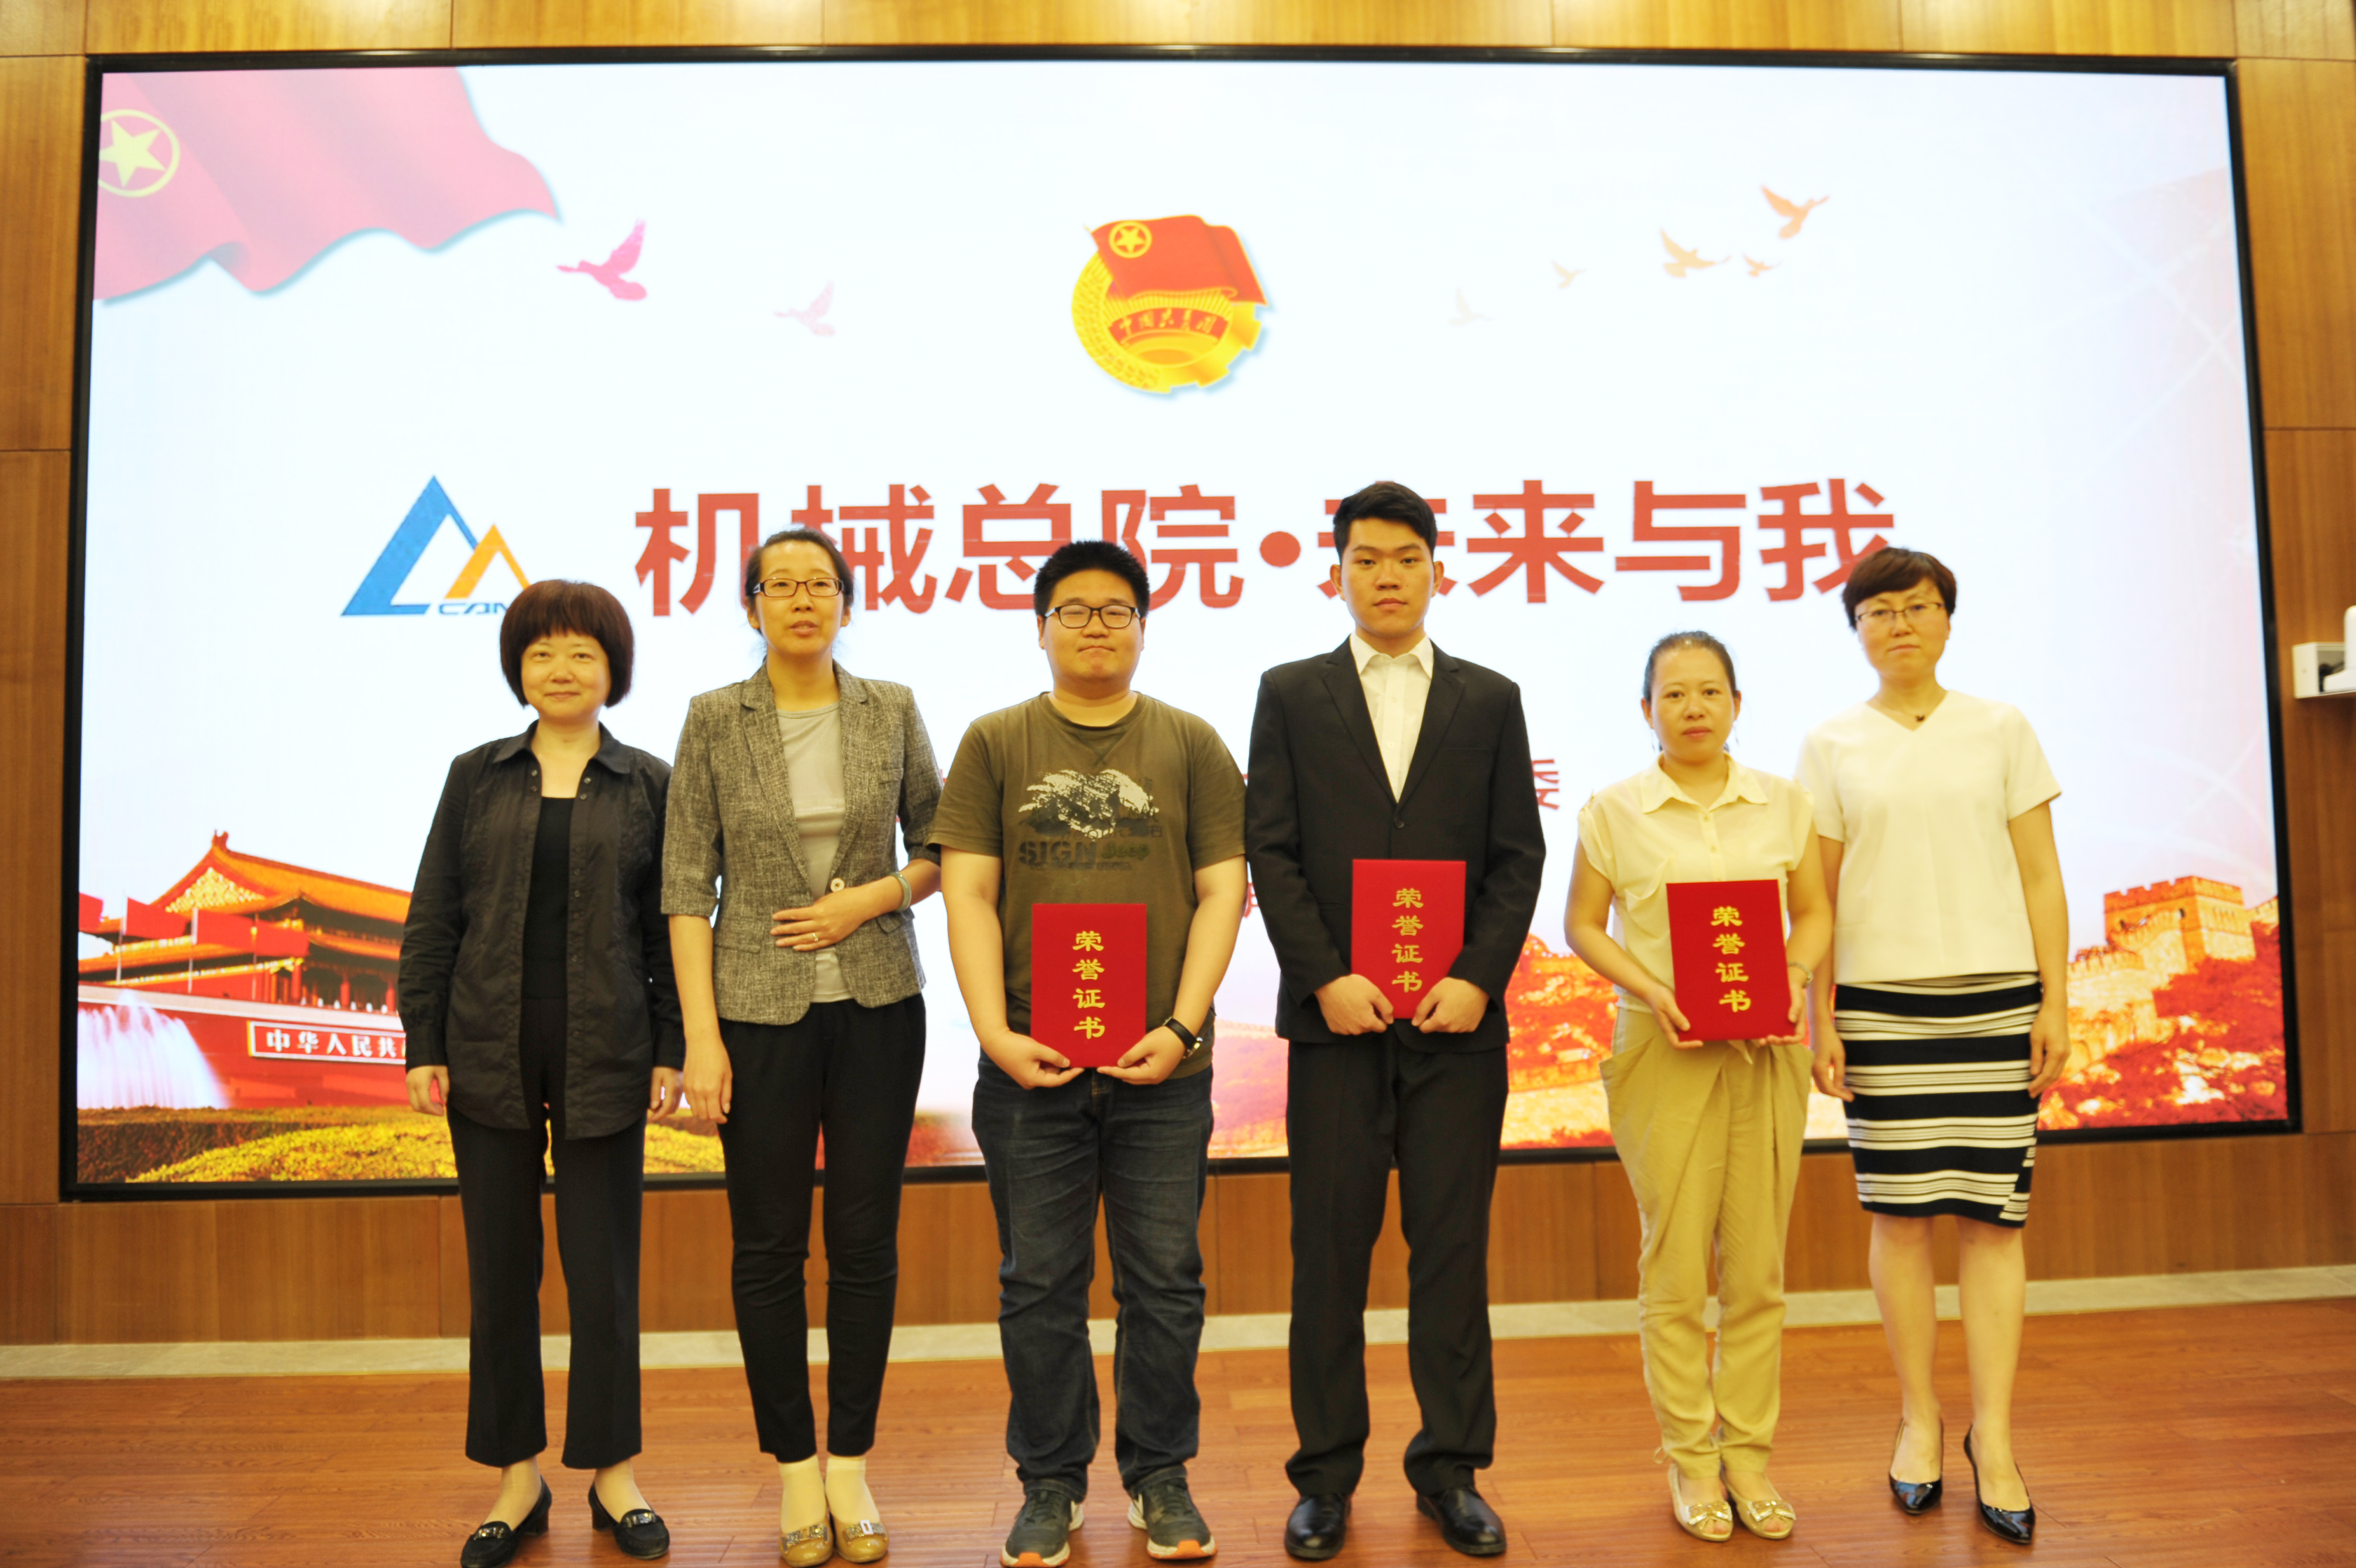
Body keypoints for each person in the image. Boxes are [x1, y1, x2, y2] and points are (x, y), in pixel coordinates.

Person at [931, 539, 1248, 1568]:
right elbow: (970, 893)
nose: (1096, 627)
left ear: (1144, 627)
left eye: (1117, 610)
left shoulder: (1192, 743)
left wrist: (1183, 1026)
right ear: (1041, 628)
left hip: (1164, 1069)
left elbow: (1222, 892)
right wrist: (995, 1034)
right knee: (1038, 1284)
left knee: (1165, 1281)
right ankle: (1051, 1482)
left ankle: (1161, 1476)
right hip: (1031, 1066)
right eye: (1074, 610)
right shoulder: (996, 741)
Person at [1244, 482, 1545, 1561]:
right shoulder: (1292, 692)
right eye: (1366, 559)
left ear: (1436, 570)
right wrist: (1325, 976)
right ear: (1337, 573)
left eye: (1406, 558)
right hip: (1338, 1028)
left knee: (1450, 1256)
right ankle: (1324, 1479)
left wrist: (1477, 977)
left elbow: (1517, 855)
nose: (1387, 576)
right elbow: (1271, 849)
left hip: (1457, 1029)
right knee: (1328, 1256)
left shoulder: (1489, 698)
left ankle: (1451, 1472)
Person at [665, 527, 943, 1567]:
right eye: (779, 585)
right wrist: (701, 1038)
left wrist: (866, 901)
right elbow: (685, 886)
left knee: (865, 1244)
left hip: (879, 1006)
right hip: (755, 1014)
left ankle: (850, 1466)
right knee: (769, 1246)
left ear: (847, 602)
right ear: (751, 607)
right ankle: (793, 1469)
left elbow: (943, 845)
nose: (801, 600)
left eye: (819, 584)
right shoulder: (713, 718)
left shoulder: (891, 708)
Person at [401, 579, 679, 1567]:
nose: (562, 670)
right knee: (501, 1272)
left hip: (610, 1049)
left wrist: (674, 1046)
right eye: (542, 653)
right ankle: (516, 1478)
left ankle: (613, 1474)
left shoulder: (649, 781)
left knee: (603, 1276)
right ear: (518, 669)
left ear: (614, 670)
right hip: (486, 1046)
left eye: (582, 653)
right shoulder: (474, 776)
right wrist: (423, 1042)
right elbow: (435, 914)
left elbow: (668, 929)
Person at [1797, 548, 2070, 1547]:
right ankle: (1919, 1420)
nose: (1900, 625)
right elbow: (1817, 897)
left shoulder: (2001, 727)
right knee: (1902, 1219)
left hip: (1998, 1003)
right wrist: (1822, 1016)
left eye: (1917, 608)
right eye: (1878, 612)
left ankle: (1995, 1437)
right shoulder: (1831, 743)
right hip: (1881, 1007)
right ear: (1856, 632)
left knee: (1995, 1224)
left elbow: (2040, 875)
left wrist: (2057, 1001)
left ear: (1948, 620)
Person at [1562, 632, 1831, 1543]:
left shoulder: (1784, 803)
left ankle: (1748, 1456)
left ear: (1737, 704)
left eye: (1710, 691)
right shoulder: (1613, 810)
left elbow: (1814, 911)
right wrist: (1651, 989)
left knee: (1756, 1272)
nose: (1693, 708)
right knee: (1675, 1270)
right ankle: (1690, 1458)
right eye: (1673, 694)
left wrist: (1792, 975)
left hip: (1766, 1050)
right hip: (1662, 1048)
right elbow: (1583, 925)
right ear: (1647, 711)